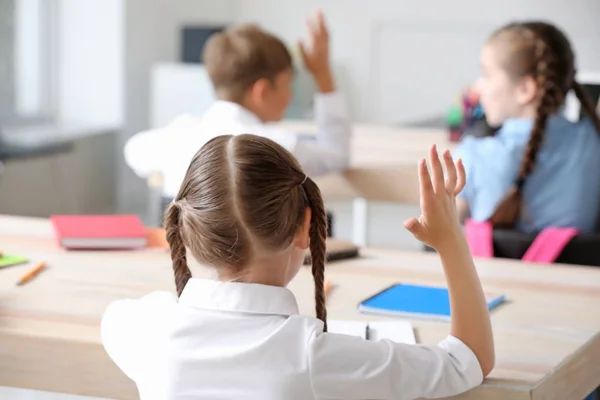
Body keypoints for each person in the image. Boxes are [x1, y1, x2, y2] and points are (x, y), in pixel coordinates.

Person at [101, 134, 494, 400]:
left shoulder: (146, 328)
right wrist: (450, 241)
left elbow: (113, 317)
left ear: (186, 232)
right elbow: (468, 360)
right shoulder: (313, 356)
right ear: (305, 227)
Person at [124, 11, 351, 201]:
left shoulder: (181, 134)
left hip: (188, 252)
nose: (290, 95)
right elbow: (337, 155)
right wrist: (322, 75)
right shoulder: (278, 147)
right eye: (286, 84)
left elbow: (133, 149)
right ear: (261, 91)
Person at [455, 21, 600, 233]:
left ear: (525, 89)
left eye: (486, 75)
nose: (477, 87)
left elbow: (441, 238)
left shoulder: (472, 157)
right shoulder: (593, 141)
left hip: (486, 267)